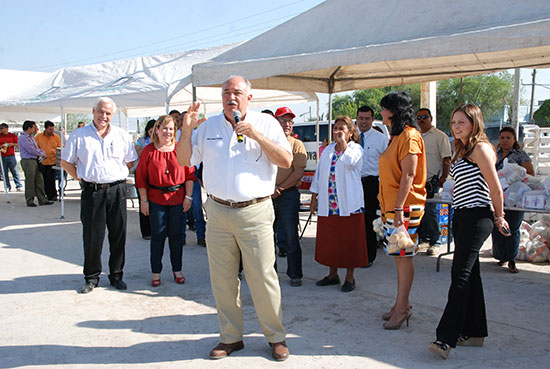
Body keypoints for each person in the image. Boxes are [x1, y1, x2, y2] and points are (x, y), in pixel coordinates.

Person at [177, 76, 292, 361]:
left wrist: (256, 136)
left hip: (255, 211)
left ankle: (275, 337)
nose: (231, 97)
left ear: (249, 98)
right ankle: (230, 337)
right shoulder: (208, 127)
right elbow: (182, 161)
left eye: (237, 92)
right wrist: (186, 130)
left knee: (263, 277)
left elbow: (286, 161)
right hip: (217, 211)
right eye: (226, 92)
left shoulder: (266, 124)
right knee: (223, 279)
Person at [429, 104, 510, 359]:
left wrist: (500, 217)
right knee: (471, 275)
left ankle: (446, 338)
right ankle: (475, 333)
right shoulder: (461, 149)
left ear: (474, 122)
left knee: (460, 275)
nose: (456, 126)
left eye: (461, 122)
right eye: (453, 122)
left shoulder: (482, 148)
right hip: (462, 214)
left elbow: (495, 189)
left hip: (478, 216)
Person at [61, 97, 138, 294]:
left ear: (113, 115)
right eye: (101, 111)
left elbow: (130, 161)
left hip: (117, 191)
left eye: (108, 113)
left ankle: (116, 275)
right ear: (93, 110)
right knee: (93, 236)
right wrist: (81, 178)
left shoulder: (121, 135)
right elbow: (66, 162)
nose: (104, 116)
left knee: (118, 235)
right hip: (92, 192)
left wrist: (112, 174)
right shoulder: (79, 135)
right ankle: (92, 277)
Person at [378, 92, 426, 330]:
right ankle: (401, 305)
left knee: (404, 257)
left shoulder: (410, 136)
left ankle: (402, 309)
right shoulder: (396, 136)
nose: (381, 113)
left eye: (384, 109)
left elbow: (409, 174)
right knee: (399, 258)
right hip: (393, 207)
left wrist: (398, 209)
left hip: (404, 206)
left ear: (393, 111)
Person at [135, 115, 194, 286]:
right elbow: (141, 179)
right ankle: (156, 272)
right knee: (158, 236)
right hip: (156, 199)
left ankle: (177, 269)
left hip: (177, 199)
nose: (168, 132)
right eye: (164, 128)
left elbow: (189, 175)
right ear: (157, 130)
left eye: (171, 128)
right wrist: (144, 201)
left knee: (176, 236)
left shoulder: (180, 149)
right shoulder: (148, 151)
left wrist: (188, 196)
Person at [310, 115, 367, 293]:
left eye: (342, 128)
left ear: (350, 132)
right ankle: (332, 274)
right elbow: (319, 175)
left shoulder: (356, 149)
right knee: (331, 240)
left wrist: (343, 144)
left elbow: (350, 163)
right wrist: (314, 197)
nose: (338, 131)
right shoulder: (327, 150)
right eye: (336, 128)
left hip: (349, 203)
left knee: (350, 240)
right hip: (330, 203)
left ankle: (350, 277)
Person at [491, 126, 534, 273]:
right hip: (497, 195)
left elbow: (530, 173)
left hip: (515, 196)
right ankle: (500, 256)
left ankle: (511, 259)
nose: (505, 141)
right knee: (497, 226)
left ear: (514, 139)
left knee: (512, 227)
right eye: (502, 138)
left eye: (508, 137)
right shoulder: (494, 155)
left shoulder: (520, 155)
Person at [273, 106, 307, 287]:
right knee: (267, 238)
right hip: (267, 195)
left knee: (291, 236)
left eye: (290, 121)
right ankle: (270, 274)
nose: (287, 124)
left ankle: (295, 274)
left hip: (288, 195)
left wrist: (280, 188)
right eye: (283, 120)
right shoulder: (267, 143)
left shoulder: (297, 145)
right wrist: (271, 189)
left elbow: (298, 172)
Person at [416, 108, 452, 256]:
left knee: (430, 211)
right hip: (415, 181)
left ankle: (435, 241)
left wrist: (443, 178)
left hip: (432, 181)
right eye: (418, 117)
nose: (421, 120)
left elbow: (447, 159)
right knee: (418, 211)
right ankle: (424, 239)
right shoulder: (415, 136)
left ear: (431, 118)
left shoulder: (440, 136)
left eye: (424, 117)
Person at [356, 105, 389, 267]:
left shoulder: (381, 139)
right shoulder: (350, 136)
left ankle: (368, 256)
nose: (363, 122)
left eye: (367, 118)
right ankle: (354, 253)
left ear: (372, 119)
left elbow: (388, 165)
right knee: (354, 220)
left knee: (369, 221)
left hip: (371, 184)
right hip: (353, 183)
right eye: (361, 118)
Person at [19, 120, 54, 207]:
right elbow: (31, 149)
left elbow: (37, 148)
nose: (35, 129)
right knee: (30, 181)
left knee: (39, 180)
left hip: (35, 160)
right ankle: (30, 200)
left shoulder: (32, 137)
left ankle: (42, 199)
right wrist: (41, 153)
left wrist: (42, 152)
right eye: (34, 127)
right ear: (29, 128)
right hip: (28, 160)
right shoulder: (23, 138)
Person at [135, 119, 156, 240]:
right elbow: (137, 153)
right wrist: (150, 145)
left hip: (154, 176)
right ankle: (146, 231)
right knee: (143, 203)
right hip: (143, 174)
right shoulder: (141, 141)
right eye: (150, 130)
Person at [35, 121, 62, 201]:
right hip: (43, 162)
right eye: (50, 129)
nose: (52, 131)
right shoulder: (38, 137)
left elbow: (60, 148)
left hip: (53, 161)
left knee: (52, 179)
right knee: (44, 179)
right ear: (45, 129)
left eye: (53, 129)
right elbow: (36, 148)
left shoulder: (56, 137)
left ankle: (53, 194)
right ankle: (46, 194)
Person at [0, 123, 23, 192]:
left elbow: (18, 144)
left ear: (6, 128)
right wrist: (2, 146)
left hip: (11, 155)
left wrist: (11, 144)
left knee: (15, 171)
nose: (1, 130)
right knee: (4, 172)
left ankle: (18, 185)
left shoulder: (12, 135)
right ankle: (7, 186)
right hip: (2, 156)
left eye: (2, 128)